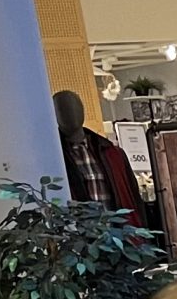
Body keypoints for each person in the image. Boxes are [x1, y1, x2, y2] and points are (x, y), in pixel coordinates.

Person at [54, 90, 149, 223]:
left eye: (74, 108)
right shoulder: (55, 159)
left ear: (82, 110)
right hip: (82, 237)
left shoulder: (113, 154)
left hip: (121, 235)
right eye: (61, 110)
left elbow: (134, 199)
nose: (70, 114)